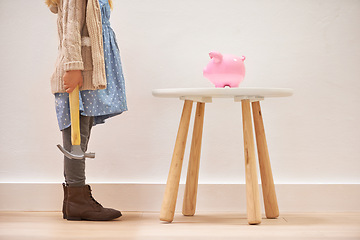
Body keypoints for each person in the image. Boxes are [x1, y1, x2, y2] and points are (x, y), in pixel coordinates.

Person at [45, 0, 128, 221]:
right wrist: (72, 66)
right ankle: (77, 199)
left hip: (89, 72)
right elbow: (70, 26)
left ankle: (74, 200)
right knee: (75, 140)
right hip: (79, 72)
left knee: (80, 137)